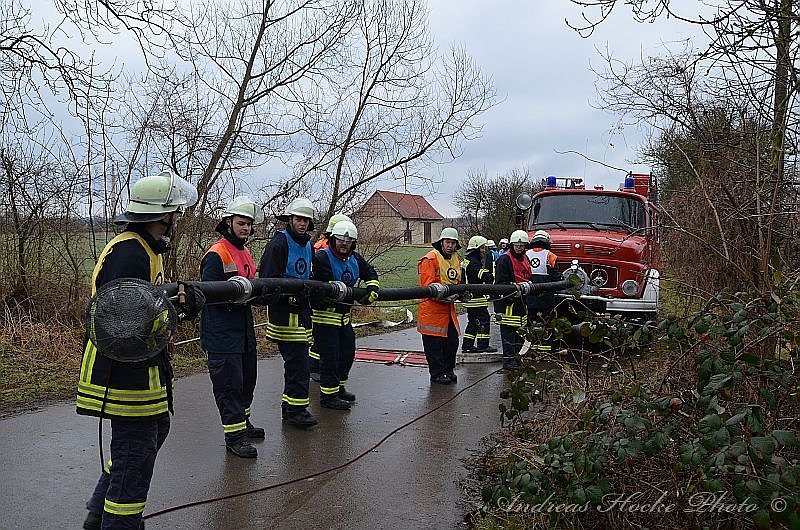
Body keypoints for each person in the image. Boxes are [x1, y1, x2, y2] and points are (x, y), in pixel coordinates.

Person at [78, 171, 204, 530]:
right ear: (162, 215)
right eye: (175, 212)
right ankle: (119, 523)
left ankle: (97, 514)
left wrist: (178, 301)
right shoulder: (129, 253)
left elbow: (146, 302)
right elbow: (123, 320)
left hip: (141, 366)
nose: (178, 218)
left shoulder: (146, 248)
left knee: (149, 437)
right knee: (135, 455)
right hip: (123, 371)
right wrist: (176, 311)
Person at [200, 196, 264, 459]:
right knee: (229, 386)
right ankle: (234, 436)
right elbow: (209, 294)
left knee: (247, 381)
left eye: (249, 224)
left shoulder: (244, 251)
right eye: (241, 223)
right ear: (228, 222)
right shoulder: (217, 253)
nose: (246, 228)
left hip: (243, 328)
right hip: (222, 331)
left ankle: (243, 424)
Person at [258, 197, 318, 427]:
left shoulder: (307, 245)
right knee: (298, 363)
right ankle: (295, 411)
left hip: (302, 311)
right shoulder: (278, 244)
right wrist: (293, 286)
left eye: (305, 220)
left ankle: (293, 408)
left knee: (298, 363)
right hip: (284, 313)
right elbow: (268, 277)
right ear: (290, 220)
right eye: (298, 219)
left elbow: (306, 275)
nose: (302, 223)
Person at [311, 220, 379, 409]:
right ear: (333, 240)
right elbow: (320, 287)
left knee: (347, 354)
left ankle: (338, 388)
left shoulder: (355, 258)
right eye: (340, 240)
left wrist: (372, 287)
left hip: (344, 318)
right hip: (325, 317)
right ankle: (328, 396)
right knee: (330, 357)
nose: (343, 244)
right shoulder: (322, 258)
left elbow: (370, 272)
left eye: (348, 242)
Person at [309, 213, 353, 382]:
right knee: (324, 345)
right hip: (326, 306)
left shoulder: (327, 246)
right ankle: (314, 368)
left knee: (325, 345)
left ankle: (316, 367)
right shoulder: (322, 250)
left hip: (339, 308)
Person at [417, 227, 462, 384]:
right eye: (447, 242)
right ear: (442, 242)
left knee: (452, 342)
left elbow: (458, 281)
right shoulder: (430, 258)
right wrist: (445, 296)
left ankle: (448, 370)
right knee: (434, 345)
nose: (450, 245)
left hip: (448, 309)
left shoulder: (456, 258)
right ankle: (437, 373)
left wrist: (461, 293)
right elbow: (427, 287)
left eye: (453, 243)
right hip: (432, 310)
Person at [493, 229, 532, 370]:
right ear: (512, 245)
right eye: (516, 245)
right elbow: (500, 283)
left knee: (519, 334)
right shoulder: (504, 259)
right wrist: (515, 289)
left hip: (521, 302)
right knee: (508, 333)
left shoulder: (525, 258)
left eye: (521, 245)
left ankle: (516, 358)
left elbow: (528, 276)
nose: (519, 247)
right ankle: (509, 361)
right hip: (508, 303)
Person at [525, 229, 561, 354]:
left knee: (531, 320)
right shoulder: (551, 256)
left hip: (529, 294)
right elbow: (555, 277)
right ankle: (545, 348)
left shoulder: (526, 254)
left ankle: (533, 347)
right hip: (546, 295)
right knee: (546, 321)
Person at [461, 235, 497, 353]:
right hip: (476, 298)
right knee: (484, 320)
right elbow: (481, 275)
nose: (483, 251)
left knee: (473, 322)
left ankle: (467, 345)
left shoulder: (467, 261)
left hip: (469, 297)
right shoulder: (474, 262)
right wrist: (491, 276)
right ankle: (483, 345)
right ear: (476, 248)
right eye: (482, 248)